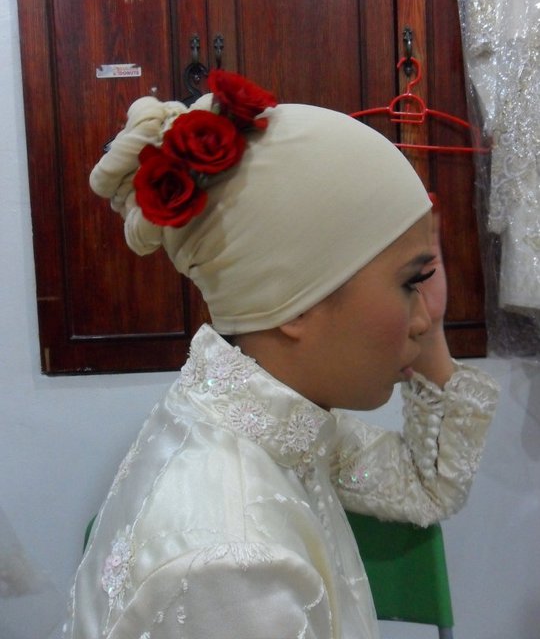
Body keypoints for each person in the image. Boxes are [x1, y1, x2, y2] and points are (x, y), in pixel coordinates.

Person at [64, 70, 498, 638]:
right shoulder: (235, 566)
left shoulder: (267, 423)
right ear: (296, 304)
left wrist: (429, 323)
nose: (421, 318)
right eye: (409, 283)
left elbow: (425, 483)